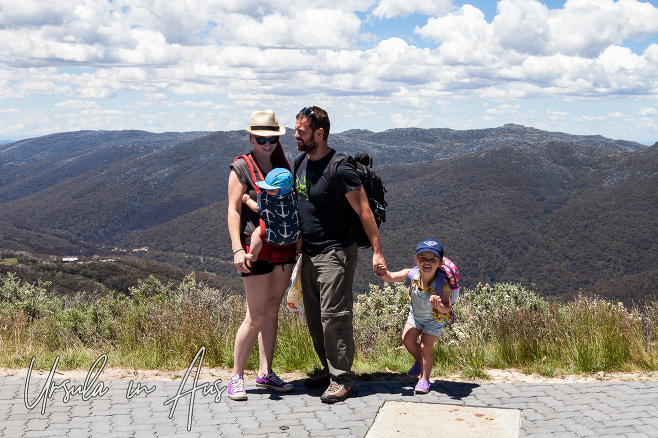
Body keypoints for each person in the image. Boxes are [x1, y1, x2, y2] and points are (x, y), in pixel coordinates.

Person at [293, 106, 386, 403]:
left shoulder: (340, 168)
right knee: (314, 317)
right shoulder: (300, 161)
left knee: (335, 317)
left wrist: (377, 251)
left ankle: (342, 378)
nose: (296, 135)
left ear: (319, 133)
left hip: (336, 252)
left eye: (302, 131)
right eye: (296, 130)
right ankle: (328, 368)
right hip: (308, 253)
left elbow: (364, 210)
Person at [227, 110, 296, 401]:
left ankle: (266, 373)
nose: (267, 144)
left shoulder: (282, 164)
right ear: (251, 136)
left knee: (271, 310)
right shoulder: (241, 167)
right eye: (261, 139)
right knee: (255, 315)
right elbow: (232, 210)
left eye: (272, 139)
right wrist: (237, 249)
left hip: (282, 248)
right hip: (254, 249)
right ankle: (235, 377)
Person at [376, 239, 459, 395]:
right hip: (416, 316)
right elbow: (391, 277)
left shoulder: (442, 283)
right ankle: (421, 362)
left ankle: (425, 379)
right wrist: (382, 273)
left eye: (432, 260)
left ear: (440, 263)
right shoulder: (412, 274)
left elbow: (447, 307)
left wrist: (439, 305)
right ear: (416, 260)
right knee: (406, 339)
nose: (427, 263)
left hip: (435, 320)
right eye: (423, 258)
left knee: (425, 347)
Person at [241, 167, 301, 261]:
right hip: (294, 235)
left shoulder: (271, 201)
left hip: (274, 234)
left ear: (282, 190)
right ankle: (300, 250)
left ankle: (253, 254)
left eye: (272, 190)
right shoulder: (293, 196)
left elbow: (256, 208)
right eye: (266, 188)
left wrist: (247, 200)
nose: (268, 191)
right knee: (300, 231)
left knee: (257, 233)